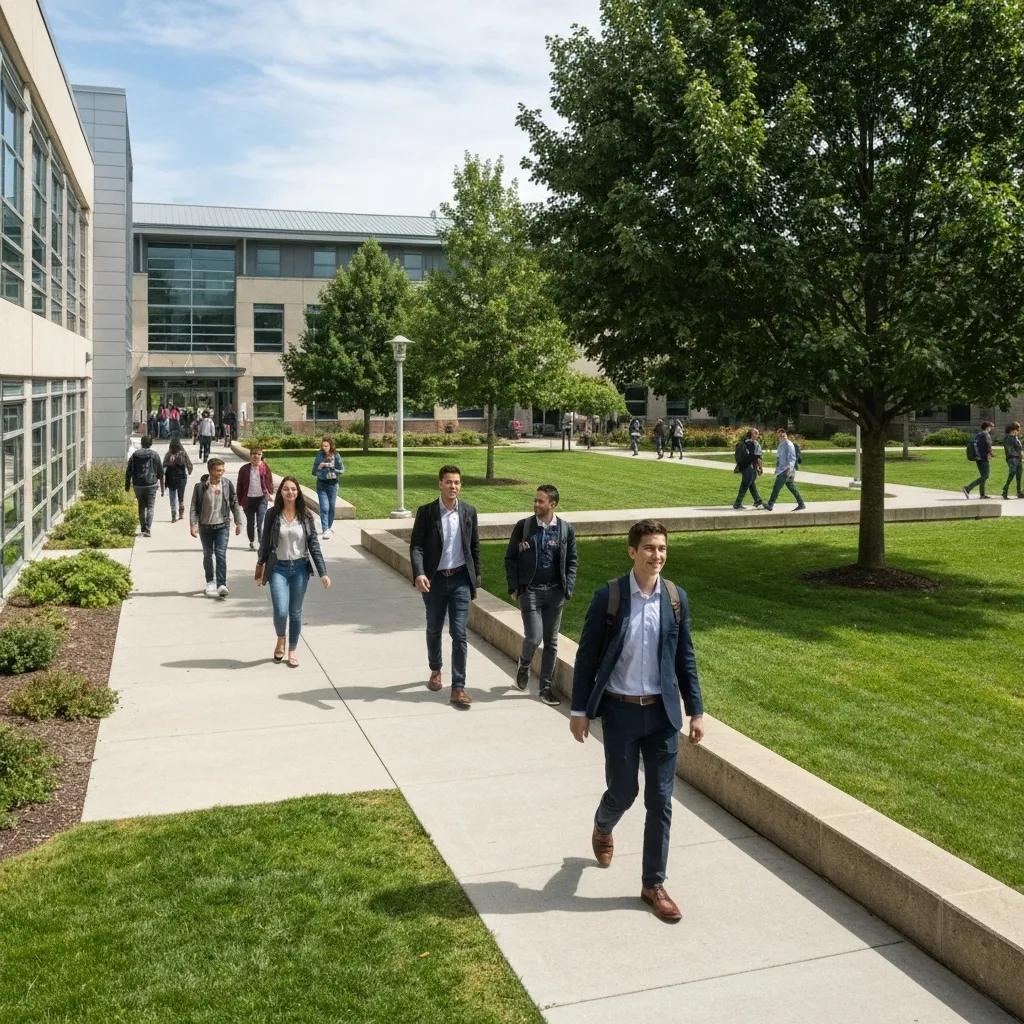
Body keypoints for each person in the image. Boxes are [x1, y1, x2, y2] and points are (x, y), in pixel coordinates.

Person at [570, 519, 705, 923]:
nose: (657, 555)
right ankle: (603, 823)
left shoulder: (676, 599)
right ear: (632, 552)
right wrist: (579, 710)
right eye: (649, 548)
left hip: (662, 715)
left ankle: (653, 884)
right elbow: (587, 657)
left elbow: (686, 659)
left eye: (662, 548)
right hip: (621, 711)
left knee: (661, 801)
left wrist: (696, 710)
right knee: (624, 791)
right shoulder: (609, 597)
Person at [410, 465, 481, 709]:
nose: (453, 486)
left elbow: (474, 548)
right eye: (449, 482)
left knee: (460, 633)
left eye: (457, 483)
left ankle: (458, 687)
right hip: (435, 580)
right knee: (434, 628)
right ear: (440, 484)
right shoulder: (427, 512)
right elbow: (416, 546)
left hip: (460, 580)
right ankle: (435, 669)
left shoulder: (469, 512)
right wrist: (419, 573)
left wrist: (476, 580)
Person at [504, 485, 579, 706]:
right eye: (535, 500)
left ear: (552, 505)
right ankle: (524, 664)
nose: (536, 504)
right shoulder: (524, 527)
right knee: (534, 637)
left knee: (552, 642)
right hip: (531, 592)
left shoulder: (565, 530)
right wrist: (514, 586)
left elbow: (572, 561)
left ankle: (545, 688)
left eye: (541, 501)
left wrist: (569, 588)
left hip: (555, 593)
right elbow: (510, 559)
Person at [255, 476, 330, 668]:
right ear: (281, 492)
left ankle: (292, 649)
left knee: (295, 612)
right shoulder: (273, 514)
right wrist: (260, 566)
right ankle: (281, 637)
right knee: (281, 611)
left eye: (294, 489)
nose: (290, 493)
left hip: (299, 569)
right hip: (278, 568)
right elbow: (264, 542)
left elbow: (314, 545)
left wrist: (323, 572)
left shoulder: (305, 516)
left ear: (298, 492)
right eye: (286, 489)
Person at [189, 457, 242, 598]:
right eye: (218, 470)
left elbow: (234, 503)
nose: (221, 472)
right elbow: (194, 507)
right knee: (207, 554)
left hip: (222, 526)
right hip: (205, 527)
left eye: (222, 470)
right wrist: (193, 524)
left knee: (220, 554)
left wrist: (238, 522)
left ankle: (221, 584)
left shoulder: (227, 484)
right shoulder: (200, 487)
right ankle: (210, 581)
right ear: (211, 471)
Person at [124, 435, 164, 537]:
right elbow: (160, 472)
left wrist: (127, 485)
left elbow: (128, 470)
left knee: (141, 506)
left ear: (142, 443)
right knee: (150, 507)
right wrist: (163, 488)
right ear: (151, 443)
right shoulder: (154, 455)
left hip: (138, 484)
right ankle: (147, 529)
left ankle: (143, 528)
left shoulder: (135, 455)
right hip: (151, 484)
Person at [238, 446, 275, 550]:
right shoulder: (244, 469)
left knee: (261, 522)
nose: (256, 456)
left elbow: (270, 481)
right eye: (254, 454)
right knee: (250, 522)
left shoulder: (265, 468)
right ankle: (251, 541)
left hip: (261, 499)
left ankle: (261, 543)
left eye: (259, 454)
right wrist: (239, 500)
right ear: (250, 456)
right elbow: (239, 485)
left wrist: (270, 493)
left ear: (261, 456)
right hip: (248, 499)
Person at [763, 427, 805, 511]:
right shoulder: (781, 444)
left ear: (784, 435)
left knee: (776, 487)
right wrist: (777, 467)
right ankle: (801, 504)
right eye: (779, 435)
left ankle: (770, 505)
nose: (780, 436)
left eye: (782, 434)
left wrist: (789, 470)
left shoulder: (789, 445)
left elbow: (792, 458)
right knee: (791, 487)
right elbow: (779, 457)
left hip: (786, 470)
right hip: (782, 470)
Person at [311, 438, 344, 539]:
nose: (324, 448)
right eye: (323, 446)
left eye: (326, 446)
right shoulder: (319, 455)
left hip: (333, 485)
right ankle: (325, 529)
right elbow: (313, 471)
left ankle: (328, 527)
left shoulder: (336, 455)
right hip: (321, 484)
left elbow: (342, 470)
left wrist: (334, 469)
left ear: (330, 446)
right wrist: (320, 467)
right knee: (324, 508)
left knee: (331, 508)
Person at [162, 438, 193, 523]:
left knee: (172, 497)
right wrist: (189, 471)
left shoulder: (168, 454)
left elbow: (163, 465)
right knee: (181, 497)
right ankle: (181, 513)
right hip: (181, 478)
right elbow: (189, 464)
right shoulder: (183, 454)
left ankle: (173, 514)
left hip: (171, 478)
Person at [732, 428, 764, 510]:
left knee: (751, 483)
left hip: (743, 467)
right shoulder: (755, 444)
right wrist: (760, 468)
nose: (758, 434)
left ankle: (758, 500)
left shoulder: (743, 442)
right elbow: (758, 458)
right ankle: (737, 504)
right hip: (750, 467)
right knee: (745, 485)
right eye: (756, 433)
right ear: (752, 434)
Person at [964, 421, 995, 499]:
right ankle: (967, 488)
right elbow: (988, 445)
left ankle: (982, 494)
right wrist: (991, 454)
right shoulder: (986, 434)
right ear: (987, 427)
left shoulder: (978, 434)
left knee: (983, 476)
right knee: (985, 476)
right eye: (991, 427)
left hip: (977, 457)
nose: (992, 428)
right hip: (983, 457)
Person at [1001, 422, 1023, 500]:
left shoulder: (1016, 438)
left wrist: (1020, 455)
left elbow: (1019, 448)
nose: (1019, 430)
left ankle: (1019, 492)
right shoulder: (1008, 438)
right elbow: (1009, 450)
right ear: (1012, 429)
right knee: (1012, 473)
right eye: (1017, 428)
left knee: (1019, 475)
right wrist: (1017, 454)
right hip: (1012, 459)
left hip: (1018, 459)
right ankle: (1005, 490)